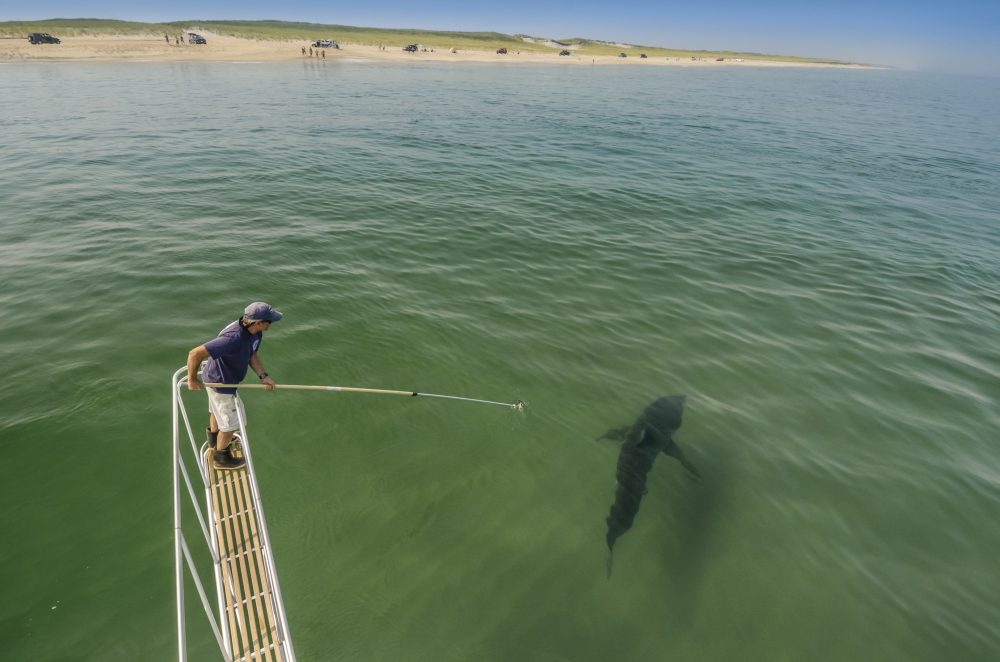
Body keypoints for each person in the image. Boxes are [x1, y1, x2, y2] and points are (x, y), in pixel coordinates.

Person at [187, 302, 282, 470]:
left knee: (217, 413)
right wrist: (192, 380)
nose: (271, 324)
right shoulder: (233, 337)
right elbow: (195, 354)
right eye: (270, 321)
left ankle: (214, 440)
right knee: (231, 425)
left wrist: (263, 376)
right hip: (220, 384)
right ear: (258, 322)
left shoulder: (255, 333)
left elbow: (251, 354)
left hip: (225, 379)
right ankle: (221, 457)